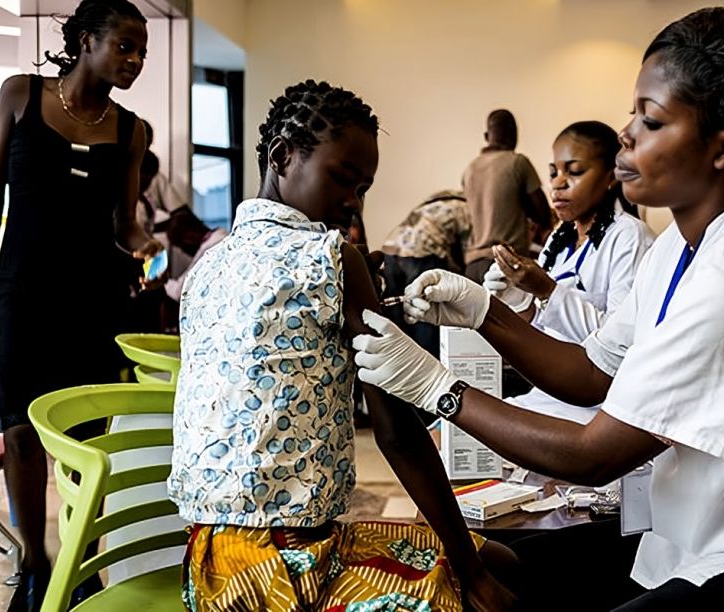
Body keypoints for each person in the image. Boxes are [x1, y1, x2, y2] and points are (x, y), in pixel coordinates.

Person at [353, 7, 724, 610]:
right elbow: (593, 373)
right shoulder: (681, 243)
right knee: (503, 562)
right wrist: (485, 312)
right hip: (712, 525)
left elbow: (595, 454)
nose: (627, 135)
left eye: (650, 121)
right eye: (633, 115)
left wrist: (437, 387)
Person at [167, 79, 517, 611]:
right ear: (282, 156)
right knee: (491, 580)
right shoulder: (331, 256)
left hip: (210, 567)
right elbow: (396, 432)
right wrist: (471, 576)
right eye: (343, 180)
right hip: (283, 568)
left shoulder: (207, 265)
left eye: (364, 190)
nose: (353, 204)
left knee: (495, 560)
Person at [0, 1, 160, 609]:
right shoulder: (19, 95)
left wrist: (154, 252)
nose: (135, 60)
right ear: (87, 40)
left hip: (94, 297)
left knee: (84, 435)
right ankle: (36, 565)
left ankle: (79, 559)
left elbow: (128, 225)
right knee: (19, 428)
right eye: (125, 46)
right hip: (21, 289)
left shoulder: (131, 130)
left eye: (141, 51)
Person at [483, 121, 655, 423]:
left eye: (573, 172)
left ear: (610, 177)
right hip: (550, 392)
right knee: (442, 437)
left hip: (597, 403)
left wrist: (547, 291)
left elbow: (619, 344)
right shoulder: (559, 239)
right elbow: (544, 333)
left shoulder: (629, 238)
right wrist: (517, 302)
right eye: (553, 172)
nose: (558, 183)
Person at [462, 109, 550, 283]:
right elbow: (542, 213)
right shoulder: (518, 162)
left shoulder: (470, 169)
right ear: (515, 136)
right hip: (505, 264)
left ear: (487, 136)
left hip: (472, 266)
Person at [381, 189, 470, 358]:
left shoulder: (443, 199)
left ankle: (398, 361)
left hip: (392, 250)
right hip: (423, 252)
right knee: (425, 311)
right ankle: (427, 364)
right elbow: (469, 253)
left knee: (397, 314)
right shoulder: (472, 209)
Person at [161, 205, 227, 304]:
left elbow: (180, 292)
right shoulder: (221, 234)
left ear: (189, 238)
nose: (183, 251)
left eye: (180, 246)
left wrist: (162, 281)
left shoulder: (209, 249)